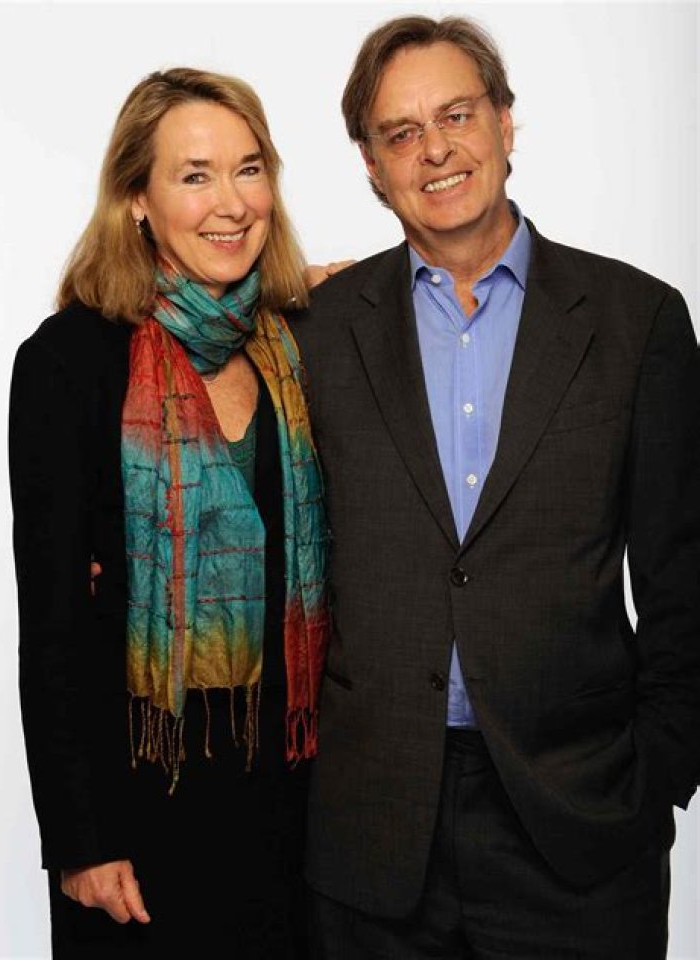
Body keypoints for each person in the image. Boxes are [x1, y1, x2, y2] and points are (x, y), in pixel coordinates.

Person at [291, 15, 700, 959]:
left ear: (506, 124)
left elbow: (684, 576)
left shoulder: (636, 320)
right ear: (371, 165)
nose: (434, 150)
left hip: (578, 830)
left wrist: (658, 778)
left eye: (457, 114)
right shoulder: (315, 330)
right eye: (401, 133)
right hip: (374, 837)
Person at [8, 67, 330, 959]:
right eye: (195, 175)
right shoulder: (70, 361)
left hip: (293, 808)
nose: (231, 203)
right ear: (137, 200)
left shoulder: (296, 343)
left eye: (249, 169)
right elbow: (52, 622)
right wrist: (81, 841)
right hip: (139, 816)